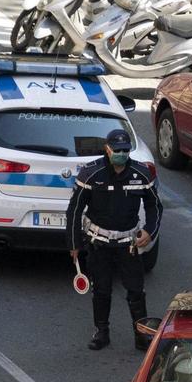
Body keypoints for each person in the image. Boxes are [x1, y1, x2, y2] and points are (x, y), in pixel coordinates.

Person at [66, 129, 162, 351]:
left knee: (136, 290)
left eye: (125, 150)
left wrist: (149, 231)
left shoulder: (141, 174)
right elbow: (75, 209)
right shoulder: (91, 173)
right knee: (101, 289)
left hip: (128, 244)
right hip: (99, 244)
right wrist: (73, 244)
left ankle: (141, 335)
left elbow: (154, 205)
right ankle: (101, 332)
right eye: (117, 150)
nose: (122, 154)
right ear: (107, 149)